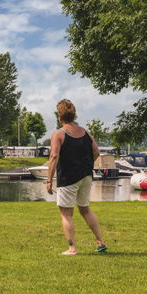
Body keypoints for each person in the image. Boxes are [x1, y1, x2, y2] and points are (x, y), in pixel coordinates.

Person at [46, 99, 107, 255]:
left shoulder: (58, 134)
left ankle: (72, 248)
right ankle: (101, 242)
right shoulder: (85, 132)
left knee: (66, 213)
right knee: (85, 209)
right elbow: (97, 152)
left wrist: (48, 180)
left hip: (68, 177)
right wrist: (86, 165)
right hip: (86, 175)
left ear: (59, 117)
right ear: (73, 115)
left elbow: (54, 157)